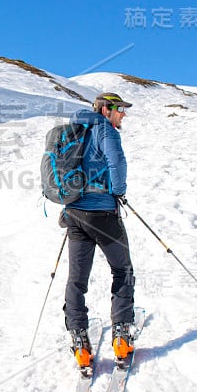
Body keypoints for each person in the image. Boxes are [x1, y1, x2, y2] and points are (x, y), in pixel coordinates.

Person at [60, 92, 136, 368]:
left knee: (77, 279)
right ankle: (122, 337)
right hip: (102, 213)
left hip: (74, 213)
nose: (123, 114)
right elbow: (117, 162)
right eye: (120, 109)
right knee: (122, 270)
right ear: (106, 109)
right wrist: (118, 192)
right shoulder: (106, 130)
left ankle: (80, 341)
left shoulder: (76, 130)